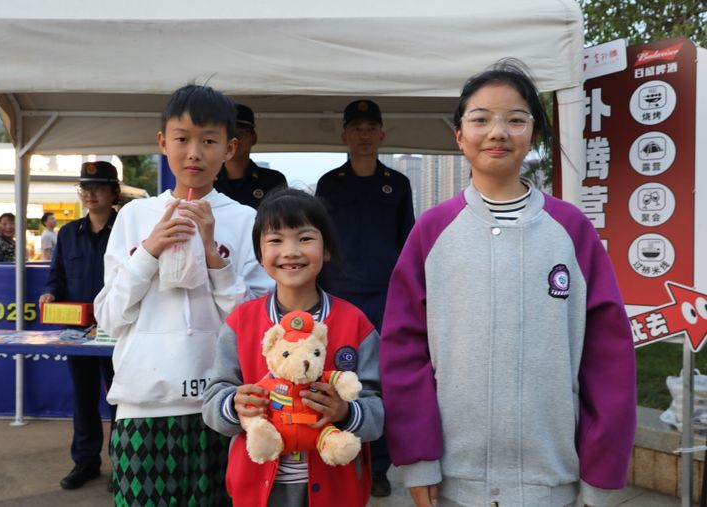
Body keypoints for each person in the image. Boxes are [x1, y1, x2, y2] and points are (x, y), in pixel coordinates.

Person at [380, 59, 636, 507]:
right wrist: (417, 459)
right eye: (480, 119)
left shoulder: (571, 230)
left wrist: (601, 475)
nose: (497, 132)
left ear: (532, 134)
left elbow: (608, 358)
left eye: (515, 120)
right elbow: (404, 350)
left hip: (551, 480)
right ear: (459, 135)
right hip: (455, 481)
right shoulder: (432, 231)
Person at [94, 85, 271, 506]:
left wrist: (213, 257)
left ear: (229, 148)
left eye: (208, 141)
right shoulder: (135, 216)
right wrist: (149, 251)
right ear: (162, 142)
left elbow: (257, 325)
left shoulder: (245, 220)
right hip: (144, 404)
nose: (194, 153)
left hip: (221, 405)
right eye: (182, 139)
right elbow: (110, 318)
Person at [202, 187, 383, 507]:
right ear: (260, 255)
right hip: (258, 488)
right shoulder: (241, 322)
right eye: (275, 240)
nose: (290, 251)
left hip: (337, 488)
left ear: (327, 249)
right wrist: (235, 405)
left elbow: (378, 412)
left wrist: (345, 413)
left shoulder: (355, 324)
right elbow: (213, 400)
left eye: (305, 238)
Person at [315, 98, 414, 497]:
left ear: (382, 134)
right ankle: (339, 453)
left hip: (385, 299)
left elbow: (407, 245)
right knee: (337, 379)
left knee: (382, 382)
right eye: (356, 128)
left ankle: (379, 465)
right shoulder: (329, 184)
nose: (364, 135)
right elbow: (320, 241)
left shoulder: (398, 184)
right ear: (345, 135)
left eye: (371, 128)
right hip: (339, 297)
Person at [38, 161, 121, 490]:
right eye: (84, 187)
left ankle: (123, 466)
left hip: (117, 330)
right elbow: (57, 274)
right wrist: (50, 292)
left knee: (121, 400)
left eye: (98, 187)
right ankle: (85, 463)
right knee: (83, 398)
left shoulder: (126, 229)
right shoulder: (68, 232)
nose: (89, 194)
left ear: (114, 192)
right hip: (78, 332)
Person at [214, 103, 287, 208]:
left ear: (254, 138)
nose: (235, 140)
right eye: (229, 134)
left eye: (241, 133)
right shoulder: (206, 180)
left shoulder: (273, 181)